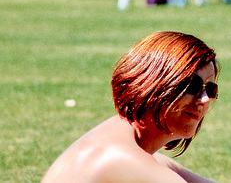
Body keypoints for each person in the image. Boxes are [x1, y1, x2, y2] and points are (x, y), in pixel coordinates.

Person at [42, 31, 220, 183]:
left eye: (210, 89)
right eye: (192, 86)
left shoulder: (127, 143)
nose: (204, 100)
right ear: (153, 84)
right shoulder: (124, 159)